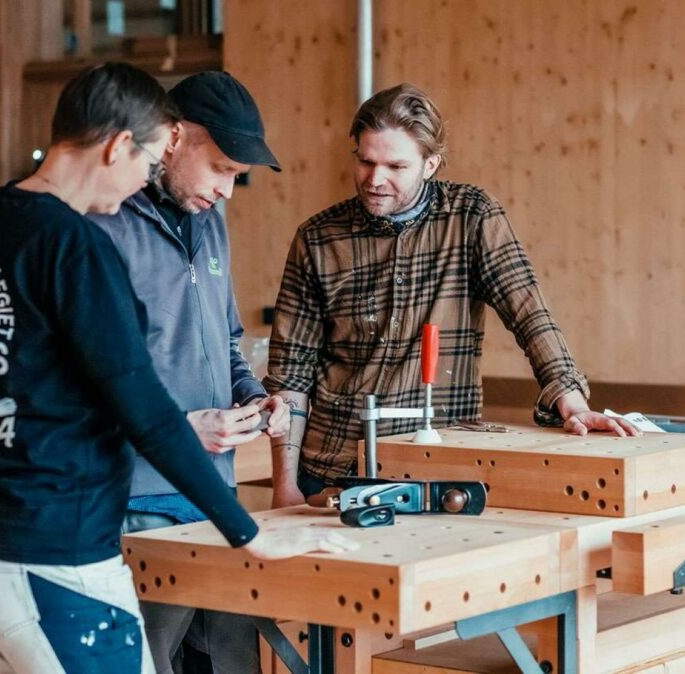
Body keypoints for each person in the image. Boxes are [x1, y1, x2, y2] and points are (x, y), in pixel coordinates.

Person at [0, 63, 353, 674]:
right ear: (119, 145)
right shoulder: (79, 245)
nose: (143, 181)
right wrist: (250, 533)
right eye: (148, 161)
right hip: (49, 550)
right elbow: (148, 413)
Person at [264, 83, 641, 507]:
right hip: (332, 466)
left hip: (436, 465)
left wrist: (571, 402)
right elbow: (289, 373)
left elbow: (528, 311)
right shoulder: (318, 238)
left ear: (430, 165)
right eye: (366, 162)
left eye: (395, 166)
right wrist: (285, 487)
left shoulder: (472, 217)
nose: (375, 180)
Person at [88, 71, 285, 674]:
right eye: (221, 167)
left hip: (212, 490)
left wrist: (254, 393)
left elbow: (224, 339)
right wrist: (181, 427)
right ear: (174, 138)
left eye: (236, 175)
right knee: (148, 662)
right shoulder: (102, 225)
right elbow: (85, 379)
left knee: (230, 662)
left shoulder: (208, 219)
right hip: (137, 498)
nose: (228, 189)